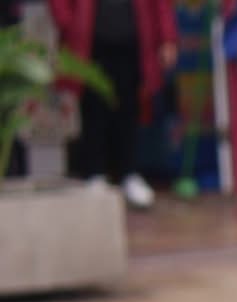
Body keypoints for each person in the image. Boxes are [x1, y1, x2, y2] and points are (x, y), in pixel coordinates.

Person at [50, 0, 178, 210]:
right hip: (89, 43)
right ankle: (94, 175)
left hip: (132, 41)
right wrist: (68, 23)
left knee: (129, 111)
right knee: (92, 111)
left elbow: (161, 4)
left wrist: (167, 37)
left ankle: (129, 174)